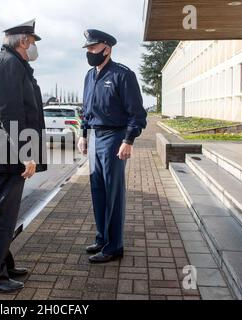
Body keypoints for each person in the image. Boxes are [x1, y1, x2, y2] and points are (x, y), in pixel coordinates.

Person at [0, 19, 47, 293]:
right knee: (1, 217)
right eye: (34, 42)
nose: (35, 47)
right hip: (4, 154)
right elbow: (9, 112)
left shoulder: (13, 64)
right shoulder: (8, 64)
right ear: (24, 40)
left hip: (6, 152)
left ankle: (4, 264)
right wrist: (26, 153)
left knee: (6, 215)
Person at [78, 29, 147, 263]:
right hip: (95, 137)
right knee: (97, 190)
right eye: (87, 48)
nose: (89, 52)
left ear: (107, 48)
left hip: (115, 138)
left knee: (113, 192)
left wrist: (128, 140)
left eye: (93, 48)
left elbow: (137, 113)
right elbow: (85, 111)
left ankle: (114, 246)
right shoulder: (89, 76)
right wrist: (83, 135)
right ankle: (102, 237)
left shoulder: (123, 75)